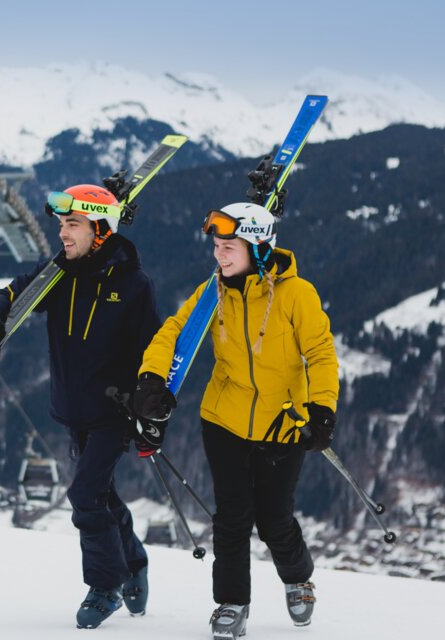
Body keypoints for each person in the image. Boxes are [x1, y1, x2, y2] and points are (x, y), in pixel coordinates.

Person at [0, 184, 163, 629]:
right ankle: (134, 559)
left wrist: (150, 410)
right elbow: (12, 295)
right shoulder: (57, 274)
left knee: (85, 494)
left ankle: (105, 585)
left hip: (115, 411)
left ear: (100, 230)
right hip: (74, 408)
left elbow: (154, 350)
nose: (62, 234)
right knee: (101, 492)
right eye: (61, 225)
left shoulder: (133, 285)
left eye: (73, 225)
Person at [129, 202, 339, 640]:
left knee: (274, 520)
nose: (219, 256)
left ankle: (298, 578)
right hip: (223, 420)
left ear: (259, 248)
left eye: (229, 247)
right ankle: (231, 604)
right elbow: (174, 331)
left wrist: (321, 409)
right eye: (217, 246)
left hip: (283, 423)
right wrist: (151, 378)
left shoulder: (296, 294)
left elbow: (320, 353)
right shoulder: (214, 292)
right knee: (232, 518)